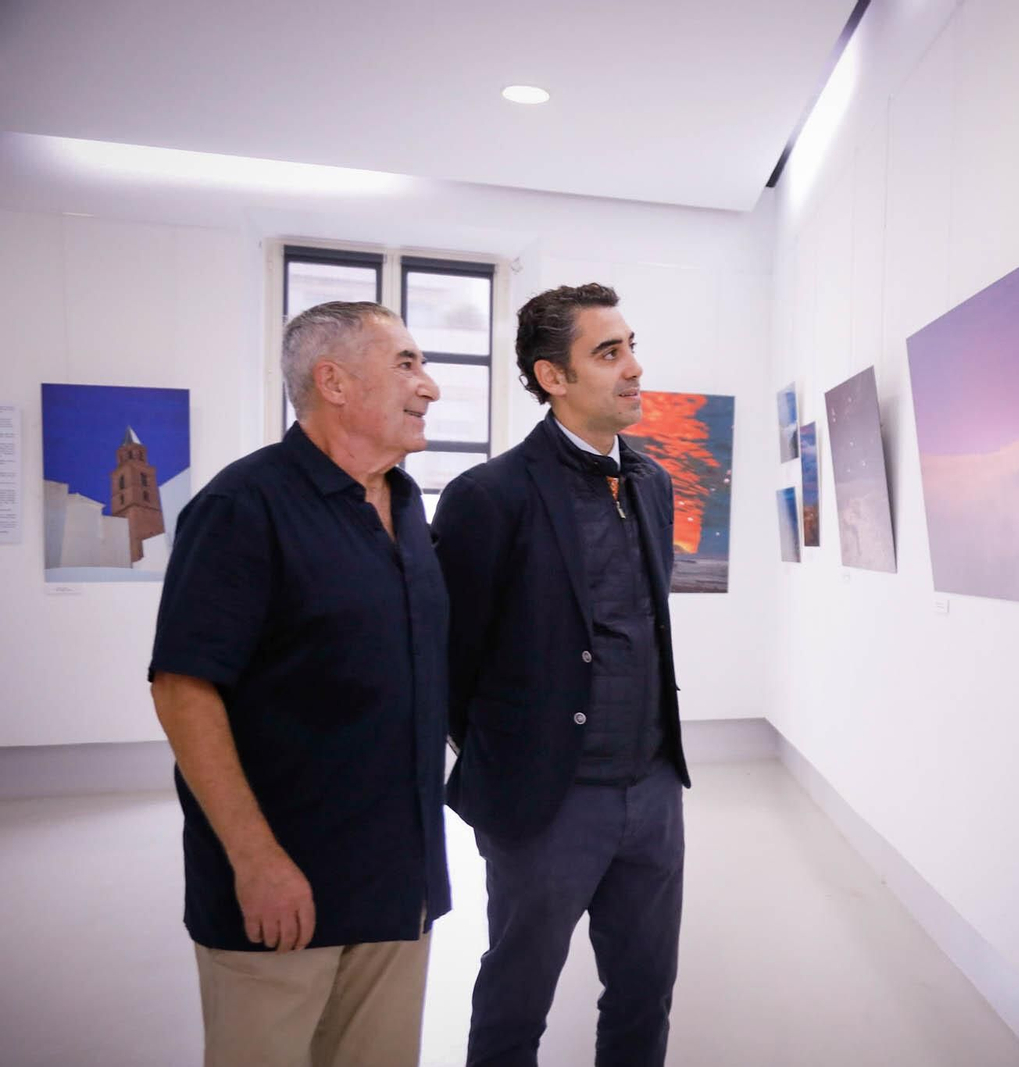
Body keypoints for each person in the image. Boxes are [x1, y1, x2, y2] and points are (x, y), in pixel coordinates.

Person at [148, 301, 450, 1067]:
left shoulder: (407, 507)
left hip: (397, 889)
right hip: (283, 894)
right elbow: (184, 689)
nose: (432, 386)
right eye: (407, 364)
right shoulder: (242, 506)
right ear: (334, 381)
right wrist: (256, 860)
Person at [432, 282, 690, 1067]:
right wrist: (513, 760)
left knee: (644, 995)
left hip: (651, 789)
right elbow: (453, 660)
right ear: (553, 377)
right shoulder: (489, 496)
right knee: (517, 1000)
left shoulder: (651, 482)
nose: (634, 368)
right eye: (608, 353)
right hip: (544, 801)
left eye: (631, 346)